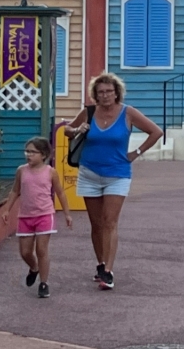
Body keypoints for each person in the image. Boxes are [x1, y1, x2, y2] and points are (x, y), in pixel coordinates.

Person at [65, 72, 163, 289]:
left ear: (117, 92)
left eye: (109, 91)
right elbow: (66, 131)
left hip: (117, 174)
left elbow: (156, 131)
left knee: (110, 222)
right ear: (95, 95)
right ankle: (100, 264)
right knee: (96, 224)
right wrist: (77, 129)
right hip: (89, 173)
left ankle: (108, 271)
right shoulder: (89, 112)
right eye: (101, 92)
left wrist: (136, 152)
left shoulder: (128, 113)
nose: (105, 95)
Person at [1, 136, 72, 298]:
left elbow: (60, 192)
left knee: (41, 250)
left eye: (33, 152)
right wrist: (7, 209)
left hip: (45, 214)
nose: (28, 155)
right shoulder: (21, 171)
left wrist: (67, 213)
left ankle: (44, 283)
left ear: (44, 154)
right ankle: (34, 268)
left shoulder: (50, 172)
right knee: (25, 252)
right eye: (27, 151)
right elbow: (15, 191)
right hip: (25, 216)